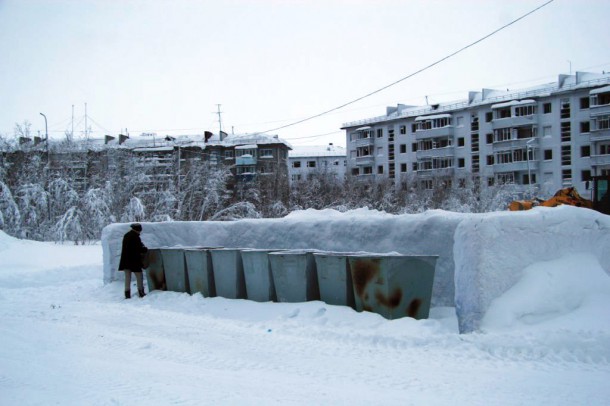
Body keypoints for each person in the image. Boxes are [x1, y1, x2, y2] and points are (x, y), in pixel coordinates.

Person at [118, 223, 148, 299]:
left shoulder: (126, 235)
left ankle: (127, 293)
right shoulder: (135, 237)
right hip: (134, 261)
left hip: (125, 261)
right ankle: (141, 292)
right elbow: (138, 249)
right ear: (137, 230)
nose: (139, 232)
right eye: (139, 231)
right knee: (139, 276)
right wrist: (144, 249)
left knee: (127, 278)